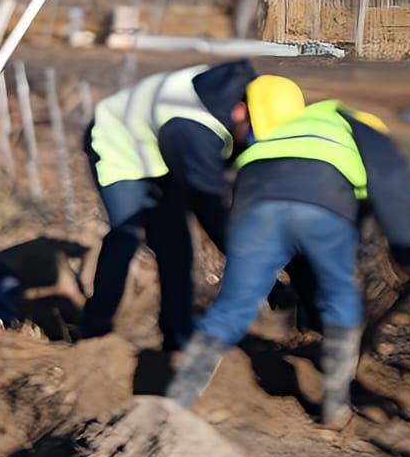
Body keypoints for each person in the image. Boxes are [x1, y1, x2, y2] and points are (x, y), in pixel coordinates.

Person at [166, 98, 410, 426]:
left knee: (231, 306)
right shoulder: (367, 132)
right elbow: (392, 192)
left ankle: (176, 402)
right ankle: (336, 406)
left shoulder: (296, 125)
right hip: (322, 196)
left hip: (252, 195)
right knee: (340, 298)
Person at [80, 61, 305, 352]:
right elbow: (211, 213)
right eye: (252, 138)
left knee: (176, 248)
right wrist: (268, 281)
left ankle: (177, 340)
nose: (250, 146)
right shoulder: (194, 129)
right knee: (127, 235)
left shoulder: (251, 99)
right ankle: (94, 333)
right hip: (119, 142)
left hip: (161, 149)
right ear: (241, 112)